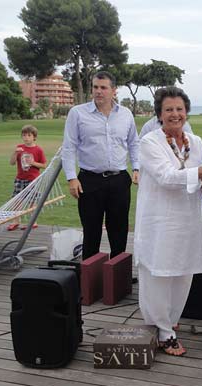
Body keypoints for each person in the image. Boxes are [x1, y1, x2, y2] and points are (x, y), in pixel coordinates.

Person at [134, 86, 202, 356]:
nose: (175, 114)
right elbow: (166, 177)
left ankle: (171, 321)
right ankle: (163, 331)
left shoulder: (195, 142)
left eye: (179, 109)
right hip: (159, 220)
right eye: (169, 110)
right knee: (159, 273)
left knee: (182, 272)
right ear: (160, 114)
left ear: (186, 112)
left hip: (187, 220)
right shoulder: (150, 142)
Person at [62, 71, 140, 260]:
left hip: (119, 180)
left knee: (119, 230)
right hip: (89, 180)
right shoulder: (78, 113)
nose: (98, 91)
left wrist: (136, 168)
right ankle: (91, 280)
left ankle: (118, 277)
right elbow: (69, 147)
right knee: (91, 230)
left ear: (114, 90)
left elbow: (133, 143)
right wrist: (72, 178)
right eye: (95, 87)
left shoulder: (126, 114)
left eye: (103, 87)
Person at [6, 125, 47, 231]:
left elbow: (43, 165)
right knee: (17, 200)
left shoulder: (38, 150)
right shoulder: (20, 148)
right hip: (20, 179)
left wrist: (32, 163)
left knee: (32, 202)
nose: (26, 137)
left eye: (29, 135)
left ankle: (32, 222)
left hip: (33, 180)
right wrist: (15, 153)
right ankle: (15, 221)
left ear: (34, 137)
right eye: (24, 135)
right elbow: (11, 163)